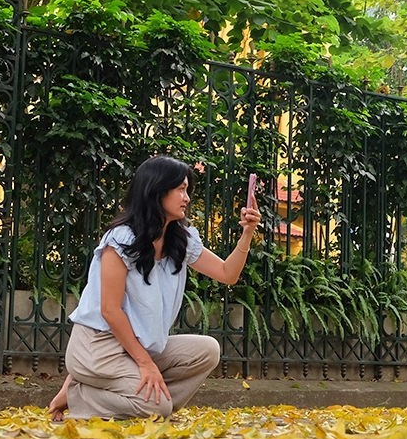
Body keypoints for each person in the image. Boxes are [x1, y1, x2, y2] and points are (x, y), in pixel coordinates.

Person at [48, 156, 261, 421]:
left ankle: (145, 403)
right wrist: (145, 364)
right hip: (97, 347)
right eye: (180, 189)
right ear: (157, 190)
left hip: (139, 346)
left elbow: (227, 274)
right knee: (156, 409)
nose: (187, 197)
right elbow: (110, 310)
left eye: (187, 190)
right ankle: (81, 395)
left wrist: (248, 232)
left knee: (207, 350)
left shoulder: (179, 240)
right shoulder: (122, 239)